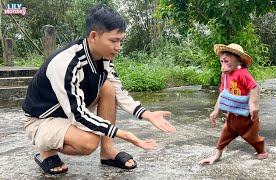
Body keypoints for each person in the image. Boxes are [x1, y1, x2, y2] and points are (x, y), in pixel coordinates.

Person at [21, 4, 176, 174]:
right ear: (94, 36)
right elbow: (78, 115)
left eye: (120, 41)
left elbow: (119, 92)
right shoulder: (66, 63)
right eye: (113, 41)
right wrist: (125, 135)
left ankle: (108, 151)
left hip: (67, 112)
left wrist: (147, 114)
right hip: (42, 119)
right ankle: (46, 149)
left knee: (108, 88)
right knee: (88, 143)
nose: (118, 47)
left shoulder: (103, 59)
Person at [198, 43, 268, 165]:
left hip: (246, 118)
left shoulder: (242, 73)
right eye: (222, 62)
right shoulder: (225, 76)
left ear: (239, 61)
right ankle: (217, 155)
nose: (223, 67)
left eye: (227, 62)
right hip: (231, 116)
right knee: (223, 137)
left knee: (252, 137)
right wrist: (216, 110)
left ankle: (261, 150)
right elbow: (223, 93)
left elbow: (254, 87)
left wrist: (253, 105)